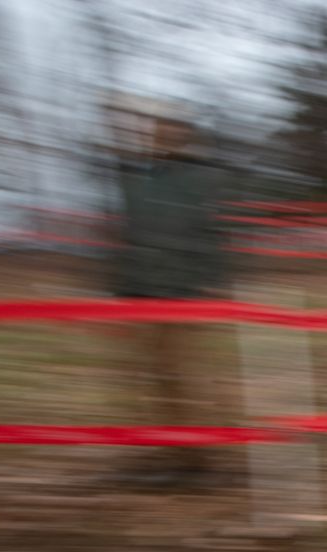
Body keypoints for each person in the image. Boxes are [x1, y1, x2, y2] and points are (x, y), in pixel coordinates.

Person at [104, 97, 233, 491]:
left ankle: (200, 458)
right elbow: (128, 236)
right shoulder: (142, 177)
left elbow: (214, 236)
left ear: (186, 135)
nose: (166, 134)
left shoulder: (199, 179)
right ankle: (171, 454)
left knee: (188, 379)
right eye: (160, 128)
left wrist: (212, 287)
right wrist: (122, 292)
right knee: (154, 378)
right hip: (143, 296)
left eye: (175, 128)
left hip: (185, 296)